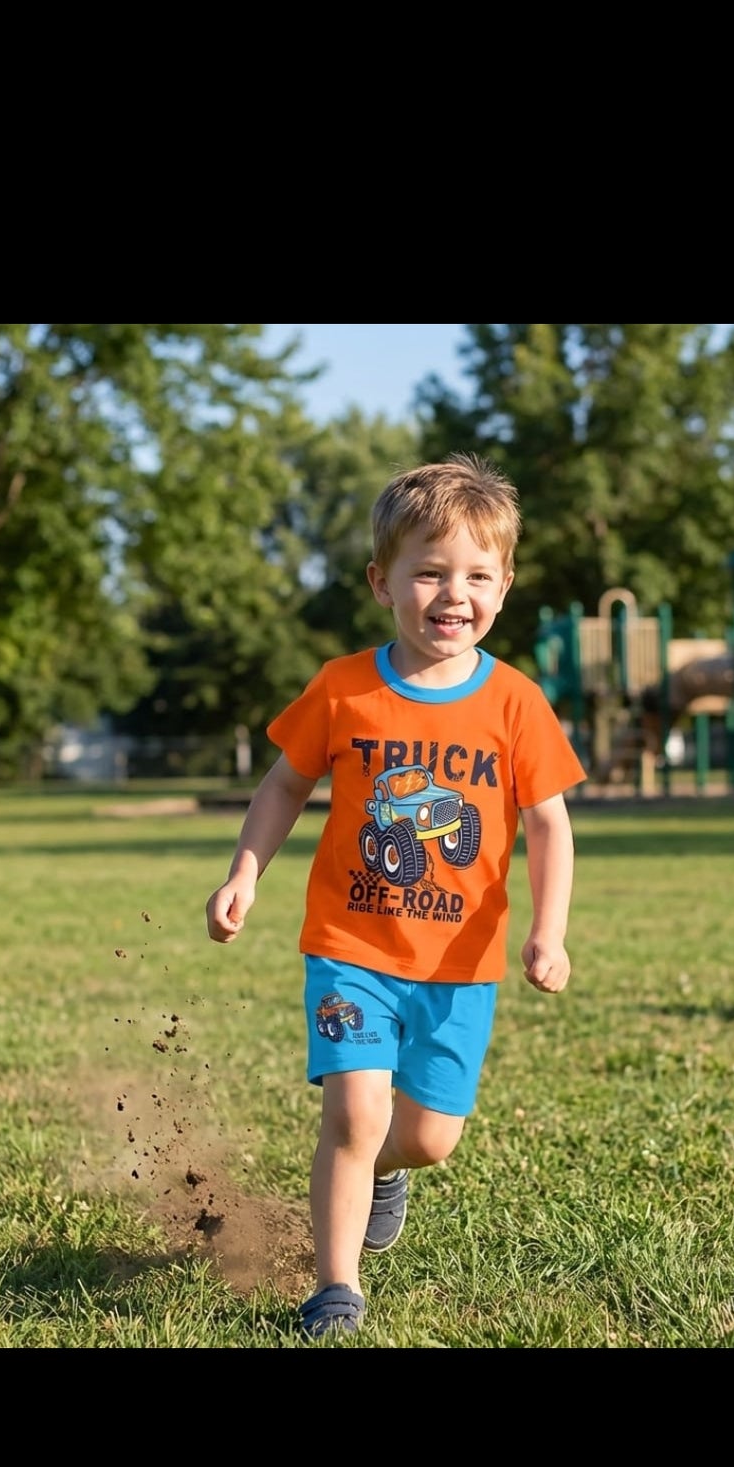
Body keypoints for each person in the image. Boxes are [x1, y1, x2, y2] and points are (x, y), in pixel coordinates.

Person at [205, 453, 586, 1340]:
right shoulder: (344, 688)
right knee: (355, 1112)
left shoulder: (516, 703)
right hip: (351, 950)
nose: (454, 594)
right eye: (429, 572)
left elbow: (548, 825)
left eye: (478, 576)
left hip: (461, 964)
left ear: (504, 587)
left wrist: (550, 930)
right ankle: (335, 1289)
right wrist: (244, 873)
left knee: (427, 1139)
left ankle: (386, 1170)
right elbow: (283, 786)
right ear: (383, 582)